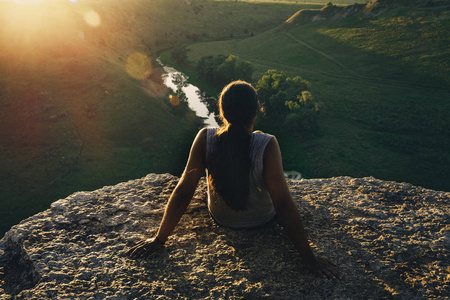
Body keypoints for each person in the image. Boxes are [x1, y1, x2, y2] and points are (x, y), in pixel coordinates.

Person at [127, 80, 341, 279]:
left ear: (222, 112)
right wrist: (309, 259)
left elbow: (184, 190)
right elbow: (283, 204)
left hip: (221, 218)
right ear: (255, 113)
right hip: (263, 219)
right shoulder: (266, 144)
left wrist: (159, 239)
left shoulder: (205, 138)